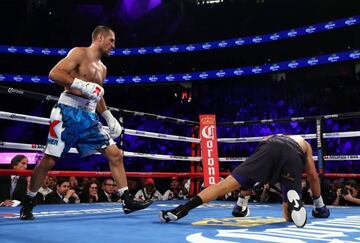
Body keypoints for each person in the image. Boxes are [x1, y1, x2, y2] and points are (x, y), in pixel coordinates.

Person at [20, 25, 152, 220]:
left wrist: (108, 116)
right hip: (67, 113)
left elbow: (96, 95)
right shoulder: (79, 53)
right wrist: (81, 84)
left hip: (89, 117)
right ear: (99, 37)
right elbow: (54, 74)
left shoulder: (103, 68)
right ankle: (29, 201)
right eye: (112, 40)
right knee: (50, 160)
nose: (114, 45)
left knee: (115, 154)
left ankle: (127, 200)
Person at [160, 134, 330, 228]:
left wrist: (249, 187)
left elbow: (254, 172)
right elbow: (313, 176)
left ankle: (181, 210)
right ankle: (292, 198)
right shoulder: (304, 143)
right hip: (293, 153)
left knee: (223, 186)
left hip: (267, 148)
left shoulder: (270, 137)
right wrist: (319, 206)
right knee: (288, 217)